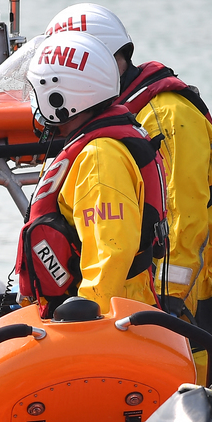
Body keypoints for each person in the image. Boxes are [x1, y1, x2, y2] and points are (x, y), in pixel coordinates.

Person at [44, 3, 212, 335]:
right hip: (142, 291)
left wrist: (171, 297)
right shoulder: (118, 111)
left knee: (190, 381)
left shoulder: (166, 115)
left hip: (176, 294)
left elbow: (186, 215)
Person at [16, 31, 166, 314]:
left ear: (59, 96)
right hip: (109, 314)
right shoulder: (96, 147)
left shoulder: (99, 158)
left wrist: (87, 319)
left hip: (111, 321)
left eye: (37, 92)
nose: (34, 103)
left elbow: (110, 255)